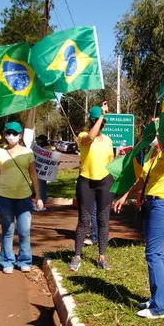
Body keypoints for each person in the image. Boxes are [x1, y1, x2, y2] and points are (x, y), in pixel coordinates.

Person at [112, 132, 164, 319]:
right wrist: (125, 195)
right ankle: (156, 298)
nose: (153, 134)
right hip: (152, 204)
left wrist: (162, 130)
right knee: (156, 252)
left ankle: (160, 308)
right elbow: (143, 180)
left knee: (153, 253)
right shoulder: (154, 153)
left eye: (158, 131)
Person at [0, 121, 44, 275]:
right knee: (8, 230)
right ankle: (7, 261)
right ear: (4, 134)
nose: (11, 136)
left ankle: (24, 260)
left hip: (24, 197)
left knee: (24, 230)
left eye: (15, 133)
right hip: (4, 197)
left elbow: (34, 175)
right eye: (8, 133)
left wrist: (38, 196)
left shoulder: (28, 153)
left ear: (20, 135)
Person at [70, 101, 114, 271]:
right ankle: (76, 256)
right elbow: (91, 137)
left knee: (103, 220)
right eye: (97, 120)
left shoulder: (108, 140)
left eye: (101, 121)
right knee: (84, 221)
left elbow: (110, 161)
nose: (100, 123)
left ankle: (102, 257)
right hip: (86, 181)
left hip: (105, 182)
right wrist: (102, 114)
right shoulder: (82, 136)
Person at [35, 134, 53, 210]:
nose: (38, 141)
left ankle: (42, 204)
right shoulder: (41, 147)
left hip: (43, 170)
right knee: (39, 186)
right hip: (39, 169)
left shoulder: (47, 148)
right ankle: (40, 203)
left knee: (42, 187)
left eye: (39, 140)